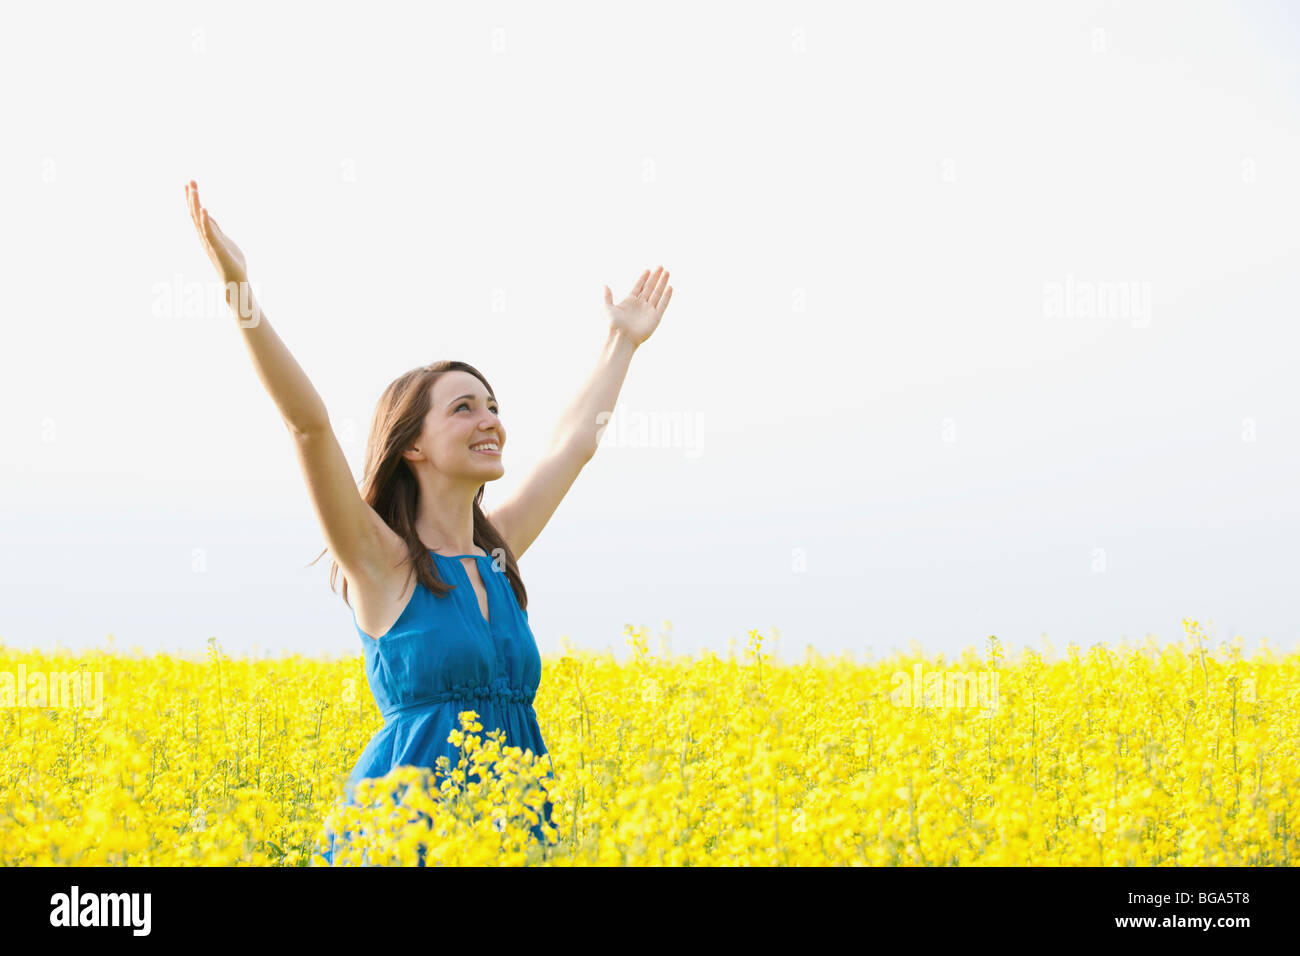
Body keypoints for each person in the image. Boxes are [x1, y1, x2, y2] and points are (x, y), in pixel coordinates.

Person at [182, 180, 674, 865]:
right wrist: (238, 289)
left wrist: (621, 343)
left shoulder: (497, 553)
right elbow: (309, 425)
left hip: (511, 830)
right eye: (464, 408)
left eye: (494, 405)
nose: (491, 421)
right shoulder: (380, 562)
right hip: (400, 838)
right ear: (411, 444)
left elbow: (574, 445)